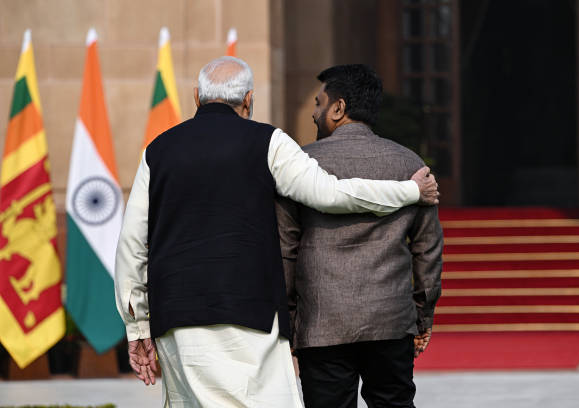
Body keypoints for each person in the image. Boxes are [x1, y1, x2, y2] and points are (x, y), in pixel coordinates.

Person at [114, 56, 439, 407]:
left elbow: (131, 246)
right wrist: (408, 191)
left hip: (177, 317)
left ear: (196, 96)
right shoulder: (269, 142)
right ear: (249, 99)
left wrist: (137, 328)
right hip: (251, 315)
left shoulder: (156, 151)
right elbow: (330, 194)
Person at [276, 64, 443, 408]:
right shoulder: (409, 164)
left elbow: (285, 250)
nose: (313, 113)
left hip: (322, 325)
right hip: (391, 321)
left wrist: (292, 319)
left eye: (319, 103)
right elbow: (427, 249)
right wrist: (421, 315)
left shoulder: (302, 165)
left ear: (338, 109)